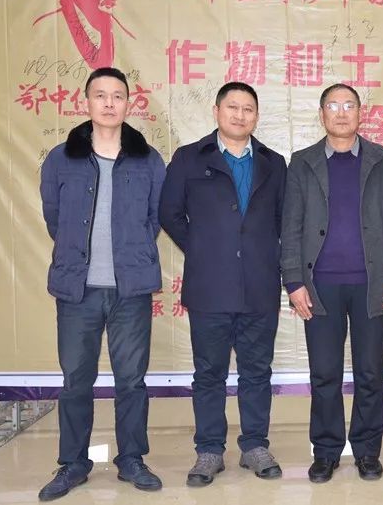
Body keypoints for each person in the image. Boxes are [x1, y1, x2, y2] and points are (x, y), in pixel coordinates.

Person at [39, 66, 165, 501]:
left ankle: (131, 459)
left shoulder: (148, 159)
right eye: (101, 95)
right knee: (76, 379)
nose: (109, 103)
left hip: (130, 289)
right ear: (87, 101)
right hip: (78, 290)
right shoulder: (62, 158)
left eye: (117, 96)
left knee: (131, 379)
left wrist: (132, 254)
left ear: (129, 103)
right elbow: (54, 217)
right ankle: (74, 463)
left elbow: (155, 218)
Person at [159, 82, 287, 486]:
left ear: (256, 116)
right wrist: (202, 248)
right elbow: (169, 212)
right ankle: (209, 450)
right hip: (209, 286)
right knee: (209, 373)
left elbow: (283, 220)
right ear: (216, 111)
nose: (240, 115)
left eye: (248, 109)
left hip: (259, 285)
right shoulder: (189, 158)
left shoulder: (274, 163)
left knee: (256, 371)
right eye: (233, 107)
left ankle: (255, 446)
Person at [280, 83, 383, 483]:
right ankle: (326, 451)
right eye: (333, 106)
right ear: (322, 115)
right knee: (324, 374)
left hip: (372, 285)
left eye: (348, 105)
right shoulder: (302, 162)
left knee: (370, 372)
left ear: (359, 113)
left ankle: (367, 451)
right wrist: (294, 281)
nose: (341, 112)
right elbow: (291, 226)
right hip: (320, 286)